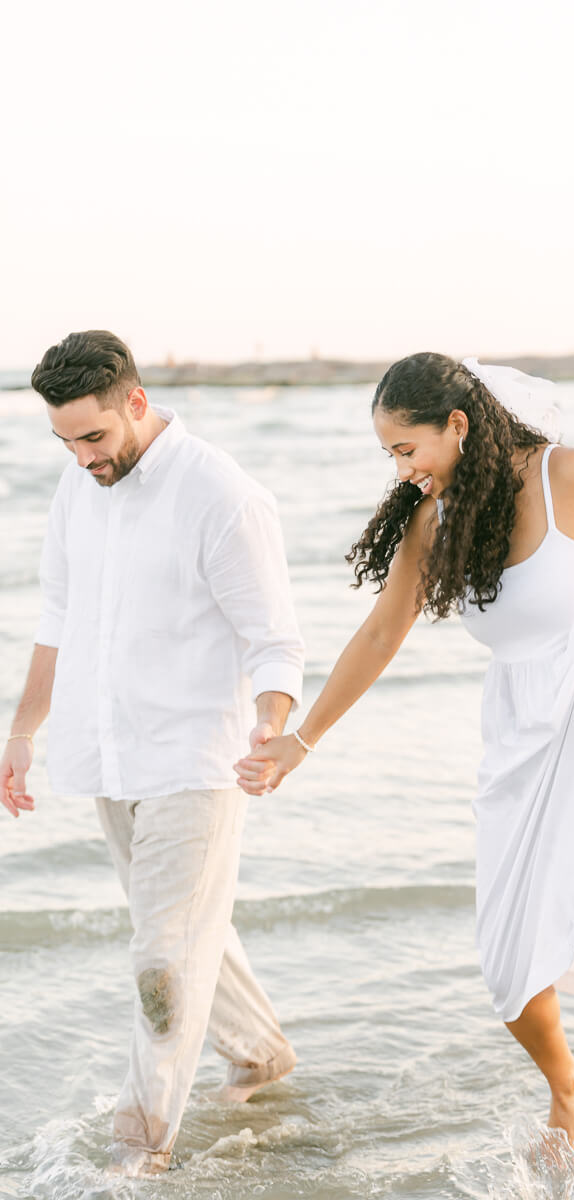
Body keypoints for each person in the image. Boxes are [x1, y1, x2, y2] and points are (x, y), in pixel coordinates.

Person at [234, 352, 574, 1200]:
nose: (402, 468)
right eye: (391, 454)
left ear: (457, 424)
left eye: (406, 447)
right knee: (509, 972)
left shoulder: (566, 475)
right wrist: (301, 741)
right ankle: (565, 1085)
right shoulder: (437, 520)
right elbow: (382, 632)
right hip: (518, 743)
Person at [0, 330, 305, 1177]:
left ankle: (141, 1148)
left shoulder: (222, 495)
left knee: (160, 957)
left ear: (136, 401)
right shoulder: (76, 486)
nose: (81, 456)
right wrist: (23, 731)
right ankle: (262, 1054)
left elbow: (274, 640)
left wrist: (271, 728)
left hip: (193, 763)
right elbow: (57, 618)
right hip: (107, 760)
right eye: (64, 440)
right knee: (185, 931)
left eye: (93, 436)